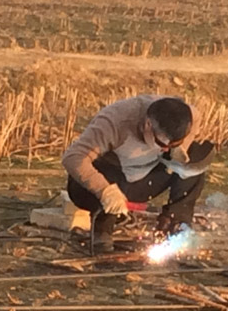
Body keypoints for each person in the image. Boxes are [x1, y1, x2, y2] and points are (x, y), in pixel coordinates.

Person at [62, 95, 215, 253]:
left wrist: (180, 148)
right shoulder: (116, 122)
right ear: (148, 124)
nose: (165, 149)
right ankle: (102, 232)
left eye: (172, 145)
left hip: (143, 180)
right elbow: (72, 157)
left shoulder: (185, 115)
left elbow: (195, 117)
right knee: (108, 172)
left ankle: (174, 225)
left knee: (194, 164)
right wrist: (104, 191)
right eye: (161, 143)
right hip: (103, 185)